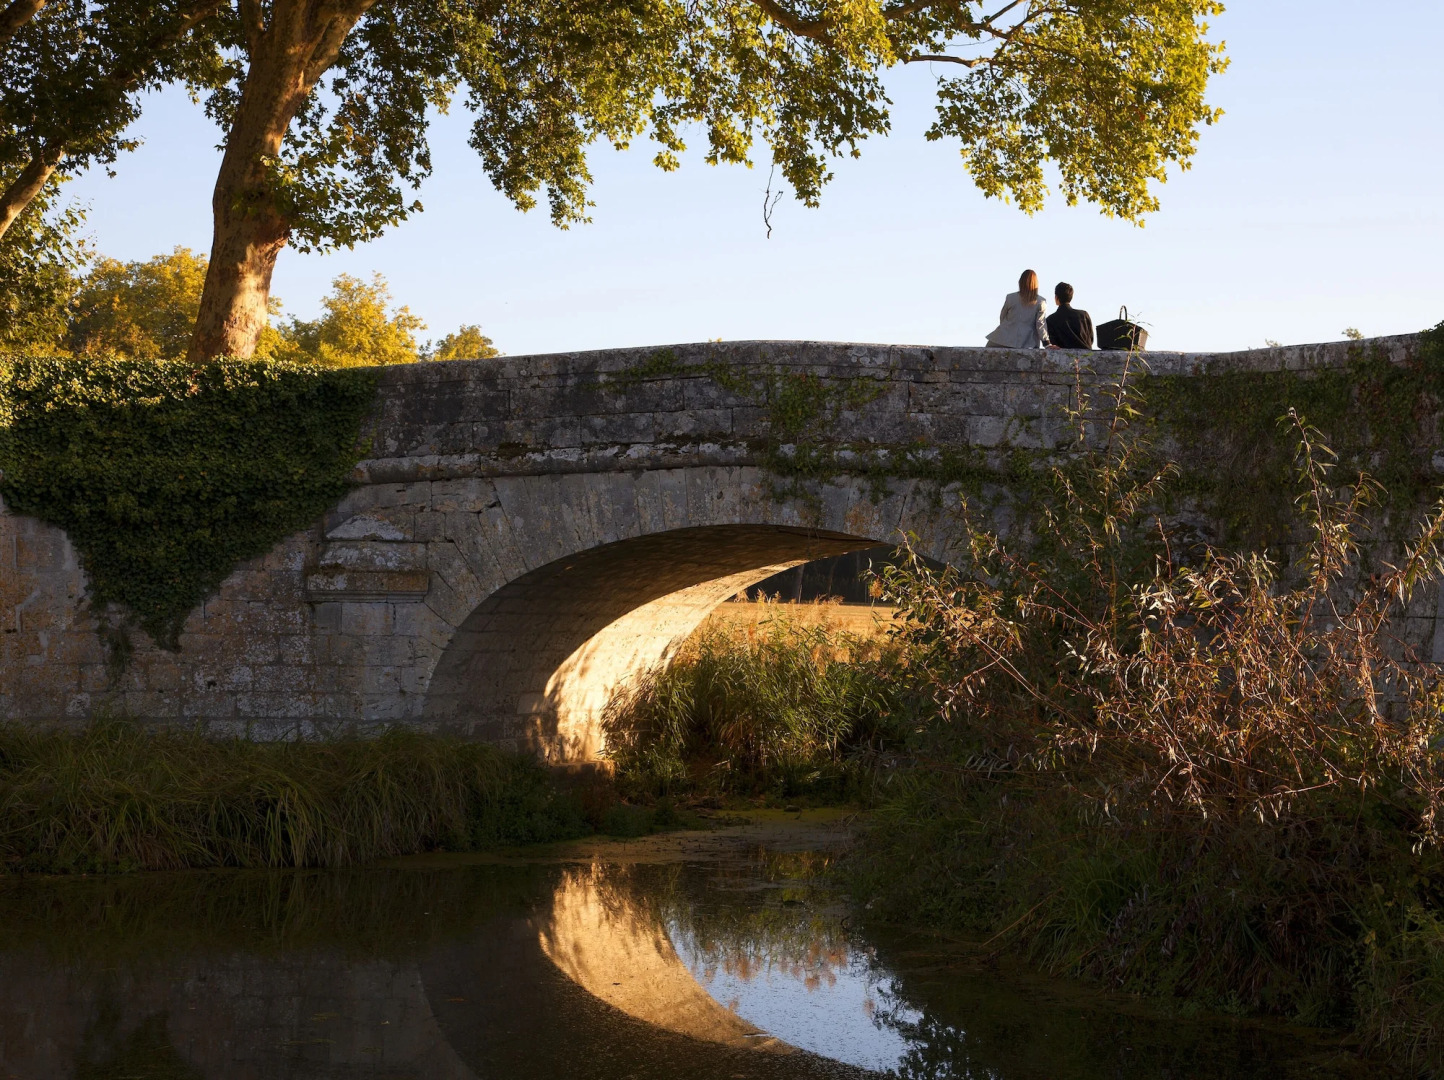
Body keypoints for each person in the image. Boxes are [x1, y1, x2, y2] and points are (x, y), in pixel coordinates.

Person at [985, 269, 1055, 349]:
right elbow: (1040, 324)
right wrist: (1047, 344)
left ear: (1020, 282)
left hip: (1003, 339)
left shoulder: (1010, 298)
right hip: (1027, 342)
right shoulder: (1041, 302)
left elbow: (1002, 317)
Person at [1045, 282, 1094, 350]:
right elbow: (1091, 339)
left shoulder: (1050, 320)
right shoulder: (1084, 315)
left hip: (1063, 358)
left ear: (1056, 297)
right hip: (1086, 356)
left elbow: (1053, 344)